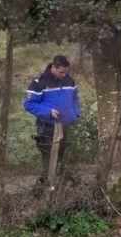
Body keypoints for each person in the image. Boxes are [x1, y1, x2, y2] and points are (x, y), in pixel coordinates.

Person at [23, 55, 81, 185]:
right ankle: (45, 189)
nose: (64, 74)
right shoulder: (39, 82)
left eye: (66, 72)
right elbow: (29, 104)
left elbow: (75, 98)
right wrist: (48, 112)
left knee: (63, 157)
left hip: (65, 125)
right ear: (53, 67)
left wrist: (75, 113)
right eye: (61, 72)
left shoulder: (69, 80)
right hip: (47, 126)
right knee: (49, 161)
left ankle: (61, 187)